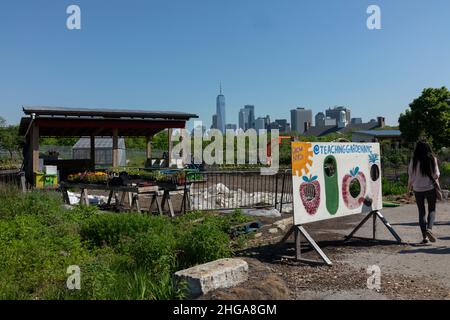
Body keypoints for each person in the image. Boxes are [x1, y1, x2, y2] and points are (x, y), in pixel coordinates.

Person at [408, 140, 440, 244]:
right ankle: (429, 229)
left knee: (421, 212)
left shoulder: (414, 160)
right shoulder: (432, 159)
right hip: (430, 188)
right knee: (432, 210)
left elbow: (411, 176)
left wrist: (408, 189)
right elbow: (436, 175)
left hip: (417, 189)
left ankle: (424, 238)